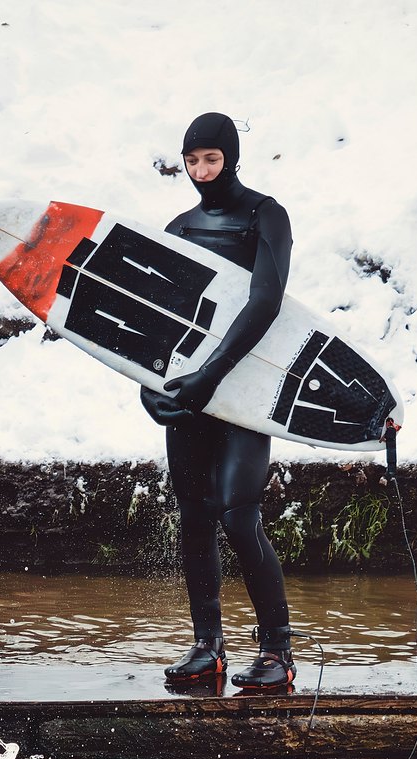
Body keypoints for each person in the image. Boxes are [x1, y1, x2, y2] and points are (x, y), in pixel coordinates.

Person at [144, 110, 296, 693]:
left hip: (246, 391)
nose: (202, 171)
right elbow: (157, 320)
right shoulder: (179, 227)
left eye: (211, 159)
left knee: (237, 513)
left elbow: (265, 302)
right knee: (194, 516)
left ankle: (277, 652)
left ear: (231, 157)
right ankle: (207, 647)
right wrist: (149, 387)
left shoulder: (266, 216)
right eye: (192, 160)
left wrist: (214, 373)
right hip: (188, 391)